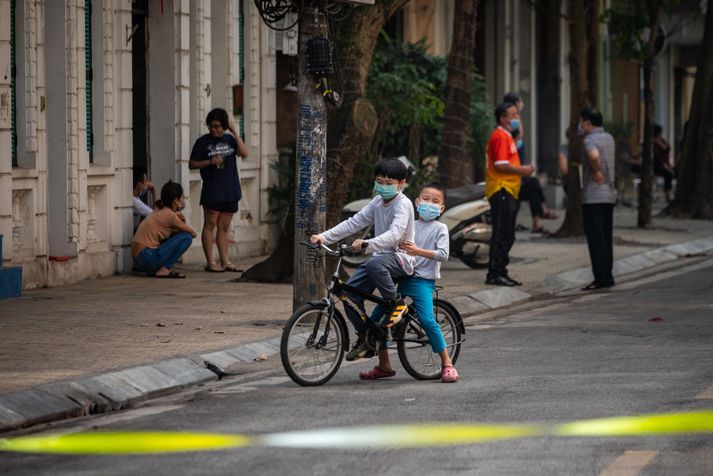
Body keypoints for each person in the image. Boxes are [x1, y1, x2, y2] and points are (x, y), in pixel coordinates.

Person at [310, 158, 415, 361]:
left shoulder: (404, 205)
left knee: (374, 262)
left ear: (401, 184)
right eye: (379, 182)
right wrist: (323, 237)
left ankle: (396, 303)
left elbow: (395, 235)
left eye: (389, 183)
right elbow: (353, 223)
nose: (383, 187)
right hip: (379, 259)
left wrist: (368, 244)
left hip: (401, 258)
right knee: (348, 295)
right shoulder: (376, 202)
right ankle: (366, 338)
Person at [359, 183, 459, 383]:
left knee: (428, 320)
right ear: (417, 202)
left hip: (422, 281)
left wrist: (417, 251)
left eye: (435, 201)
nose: (429, 204)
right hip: (401, 276)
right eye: (425, 199)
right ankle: (384, 365)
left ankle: (447, 363)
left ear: (442, 209)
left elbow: (444, 255)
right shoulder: (409, 223)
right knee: (377, 320)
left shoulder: (440, 228)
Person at [189, 108, 249, 273]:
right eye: (211, 126)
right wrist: (209, 162)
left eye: (217, 126)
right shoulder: (202, 142)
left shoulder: (230, 140)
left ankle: (226, 261)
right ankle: (211, 262)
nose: (214, 129)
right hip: (213, 189)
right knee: (210, 224)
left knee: (224, 227)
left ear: (224, 126)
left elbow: (245, 153)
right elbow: (192, 164)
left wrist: (234, 131)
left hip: (230, 190)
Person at [485, 102, 535, 287]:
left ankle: (501, 271)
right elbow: (500, 165)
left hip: (508, 189)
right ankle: (495, 273)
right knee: (502, 233)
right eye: (513, 115)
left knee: (507, 234)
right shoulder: (499, 136)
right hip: (501, 188)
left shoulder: (507, 136)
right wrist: (523, 170)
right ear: (503, 118)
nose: (517, 118)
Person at [503, 92, 558, 234]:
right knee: (533, 184)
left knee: (533, 185)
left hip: (516, 170)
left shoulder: (511, 127)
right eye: (519, 101)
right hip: (510, 177)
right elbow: (518, 136)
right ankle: (541, 213)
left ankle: (538, 219)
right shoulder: (504, 134)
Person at [579, 108, 616, 291]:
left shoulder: (589, 139)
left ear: (587, 123)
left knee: (596, 239)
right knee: (606, 237)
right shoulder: (609, 138)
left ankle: (600, 278)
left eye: (581, 122)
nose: (580, 126)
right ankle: (607, 275)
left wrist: (595, 171)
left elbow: (593, 155)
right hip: (609, 195)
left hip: (593, 196)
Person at [132, 181, 197, 279]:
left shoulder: (159, 211)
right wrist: (180, 222)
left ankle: (158, 269)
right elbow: (193, 233)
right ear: (176, 201)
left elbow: (168, 235)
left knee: (181, 234)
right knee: (187, 237)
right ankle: (164, 269)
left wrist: (179, 223)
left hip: (139, 260)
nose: (183, 201)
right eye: (182, 198)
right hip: (147, 257)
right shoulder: (170, 215)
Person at [653, 124, 675, 202]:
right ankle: (667, 194)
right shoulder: (653, 143)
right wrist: (665, 165)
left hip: (666, 164)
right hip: (657, 165)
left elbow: (667, 148)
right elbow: (657, 157)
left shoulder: (662, 141)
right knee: (668, 174)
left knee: (673, 172)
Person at [132, 166, 156, 232]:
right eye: (145, 181)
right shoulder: (134, 201)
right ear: (139, 184)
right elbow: (155, 215)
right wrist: (154, 191)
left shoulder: (136, 197)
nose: (147, 184)